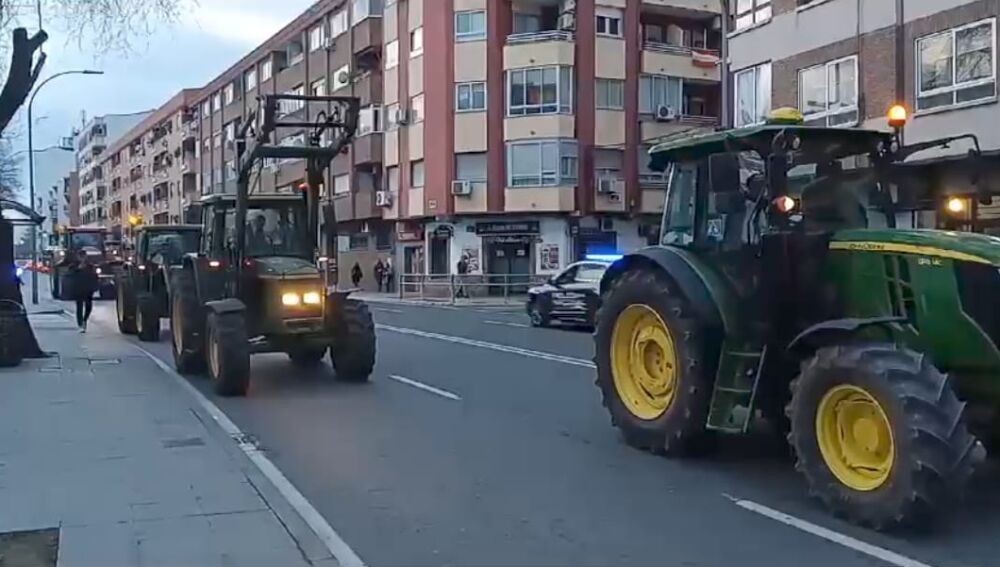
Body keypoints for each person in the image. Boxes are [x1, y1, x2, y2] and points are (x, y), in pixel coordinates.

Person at [69, 250, 99, 333]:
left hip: (88, 289)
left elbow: (95, 276)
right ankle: (80, 323)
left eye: (83, 256)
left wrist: (95, 286)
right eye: (80, 256)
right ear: (78, 257)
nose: (82, 258)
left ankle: (85, 319)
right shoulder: (73, 266)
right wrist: (77, 269)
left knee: (89, 306)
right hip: (78, 289)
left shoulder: (90, 266)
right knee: (79, 306)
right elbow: (70, 275)